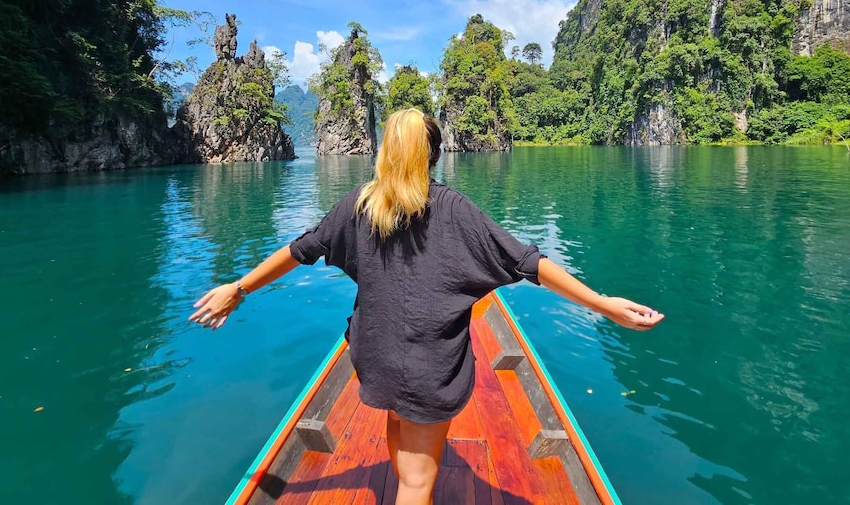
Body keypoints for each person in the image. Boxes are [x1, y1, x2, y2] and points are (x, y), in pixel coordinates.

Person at [189, 108, 664, 505]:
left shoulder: (359, 205)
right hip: (426, 366)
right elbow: (528, 264)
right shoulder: (452, 208)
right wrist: (602, 304)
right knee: (417, 485)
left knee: (398, 428)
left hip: (373, 354)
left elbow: (301, 249)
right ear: (434, 155)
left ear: (384, 151)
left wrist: (240, 286)